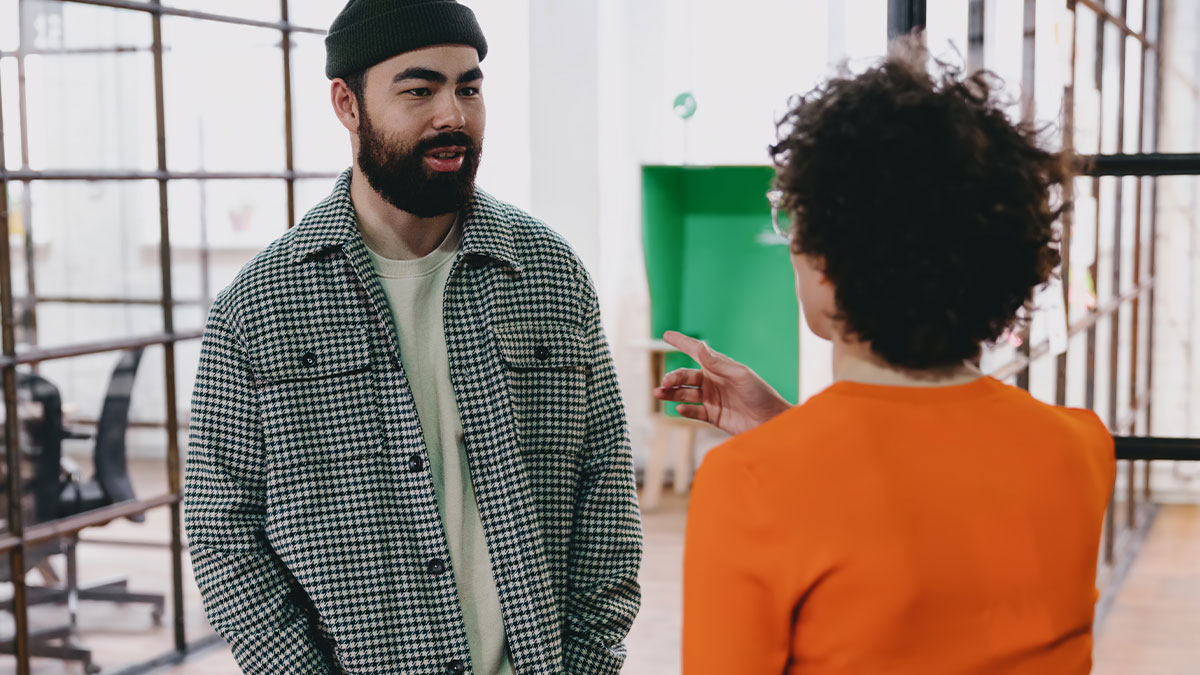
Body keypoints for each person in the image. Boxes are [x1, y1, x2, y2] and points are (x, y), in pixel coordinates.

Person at [183, 1, 642, 673]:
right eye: (419, 90)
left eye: (469, 87)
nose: (453, 114)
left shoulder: (548, 272)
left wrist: (587, 660)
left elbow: (604, 492)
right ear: (347, 103)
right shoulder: (261, 307)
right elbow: (224, 534)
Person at [658, 46, 1115, 674]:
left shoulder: (749, 484)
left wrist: (784, 453)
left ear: (829, 260)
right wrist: (789, 435)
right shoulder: (1081, 447)